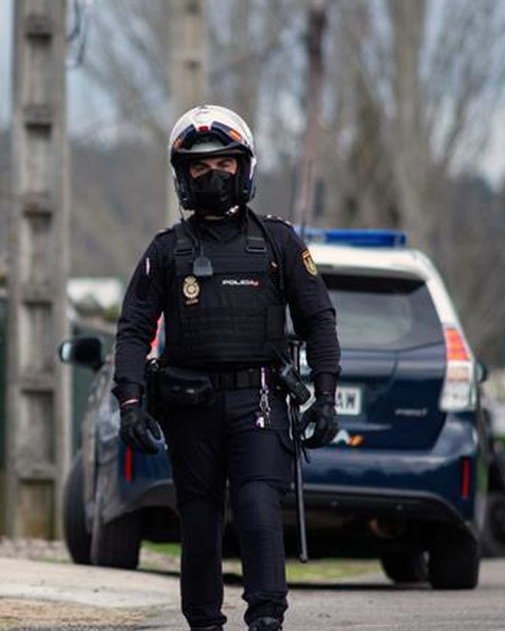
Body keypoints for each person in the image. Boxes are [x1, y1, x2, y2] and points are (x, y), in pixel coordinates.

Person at [112, 105, 341, 631]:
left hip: (259, 401)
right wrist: (130, 404)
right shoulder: (165, 252)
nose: (212, 175)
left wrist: (325, 397)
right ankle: (205, 624)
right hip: (189, 408)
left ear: (245, 167)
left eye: (224, 163)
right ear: (182, 176)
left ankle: (266, 618)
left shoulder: (280, 243)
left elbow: (320, 321)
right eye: (198, 166)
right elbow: (132, 330)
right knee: (199, 520)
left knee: (259, 504)